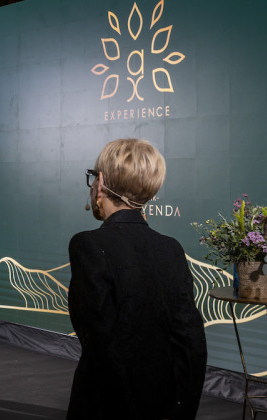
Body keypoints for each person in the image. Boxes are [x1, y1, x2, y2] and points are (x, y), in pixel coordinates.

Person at [67, 138, 207, 419]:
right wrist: (180, 409)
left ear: (101, 182)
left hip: (107, 405)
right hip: (162, 403)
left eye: (93, 176)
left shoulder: (88, 245)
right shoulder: (171, 248)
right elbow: (191, 341)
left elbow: (100, 344)